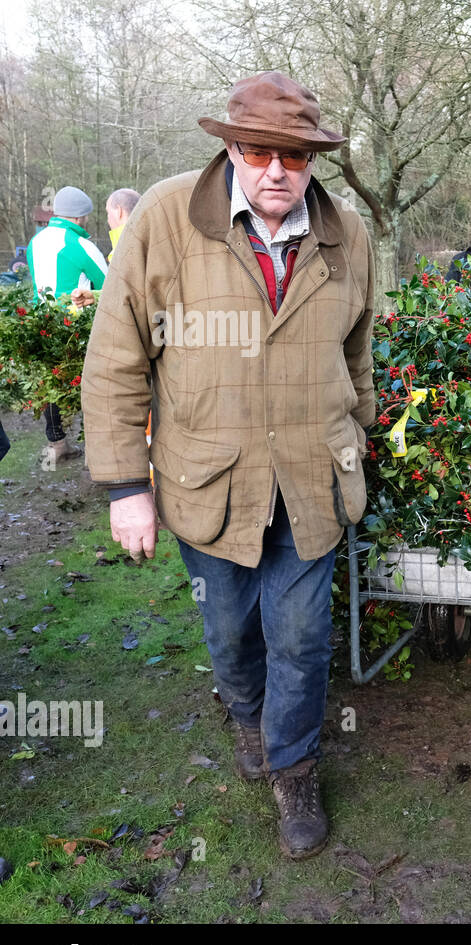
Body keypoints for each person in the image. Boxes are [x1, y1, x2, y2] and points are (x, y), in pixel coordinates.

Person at [80, 71, 375, 861]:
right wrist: (124, 487)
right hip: (206, 482)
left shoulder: (348, 231)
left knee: (304, 637)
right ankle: (246, 714)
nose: (276, 170)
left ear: (314, 159)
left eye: (295, 154)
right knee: (231, 630)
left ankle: (294, 770)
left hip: (314, 481)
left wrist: (361, 435)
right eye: (257, 151)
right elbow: (115, 357)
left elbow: (359, 351)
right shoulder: (167, 217)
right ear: (230, 148)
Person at [27, 185, 110, 464]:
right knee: (90, 384)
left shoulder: (35, 243)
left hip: (43, 325)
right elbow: (108, 285)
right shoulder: (81, 245)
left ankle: (57, 443)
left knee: (52, 385)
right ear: (79, 218)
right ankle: (95, 450)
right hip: (76, 329)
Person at [106, 188, 141, 261]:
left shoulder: (122, 250)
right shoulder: (150, 240)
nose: (108, 219)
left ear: (119, 211)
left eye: (108, 213)